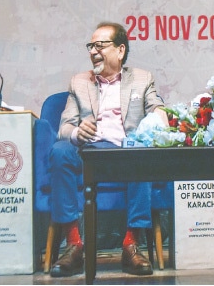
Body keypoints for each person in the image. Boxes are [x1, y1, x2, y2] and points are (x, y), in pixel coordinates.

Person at [49, 21, 167, 277]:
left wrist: (158, 117)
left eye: (100, 45)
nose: (93, 51)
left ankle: (131, 244)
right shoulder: (79, 82)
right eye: (90, 46)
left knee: (142, 153)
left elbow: (157, 108)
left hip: (124, 150)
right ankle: (73, 245)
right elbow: (64, 127)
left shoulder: (142, 79)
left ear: (120, 50)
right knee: (59, 151)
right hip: (89, 151)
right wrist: (78, 133)